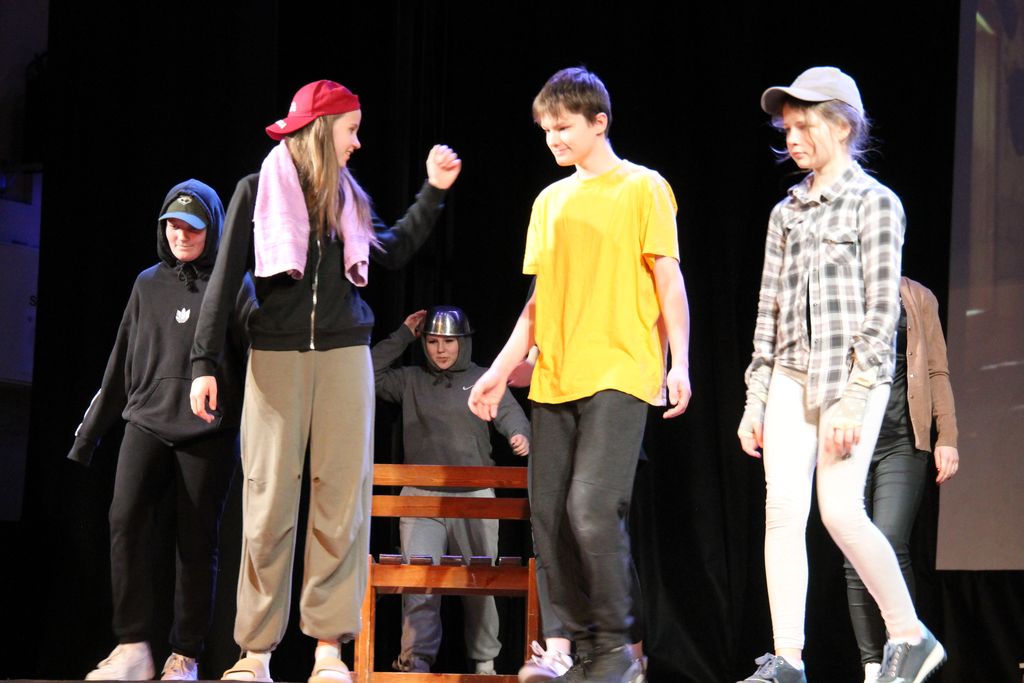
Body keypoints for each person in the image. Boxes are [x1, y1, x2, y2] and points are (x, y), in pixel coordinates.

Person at [188, 80, 462, 683]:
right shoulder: (257, 190)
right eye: (350, 130)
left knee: (340, 502)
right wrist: (204, 362)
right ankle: (255, 652)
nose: (357, 143)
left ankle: (328, 650)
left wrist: (433, 192)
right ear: (321, 129)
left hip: (344, 356)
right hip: (276, 357)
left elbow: (391, 250)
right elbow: (225, 277)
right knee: (267, 501)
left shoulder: (349, 197)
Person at [469, 67, 691, 683]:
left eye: (563, 127)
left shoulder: (644, 187)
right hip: (556, 377)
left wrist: (680, 361)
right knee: (549, 515)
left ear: (599, 123)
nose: (553, 139)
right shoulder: (550, 201)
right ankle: (568, 649)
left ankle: (616, 648)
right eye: (546, 129)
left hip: (621, 369)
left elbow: (668, 279)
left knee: (591, 506)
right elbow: (539, 302)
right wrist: (499, 370)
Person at [736, 66, 945, 683]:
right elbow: (769, 310)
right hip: (789, 375)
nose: (792, 138)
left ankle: (911, 635)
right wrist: (755, 398)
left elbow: (883, 310)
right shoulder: (785, 213)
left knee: (840, 512)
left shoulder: (876, 203)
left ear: (843, 126)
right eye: (787, 128)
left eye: (804, 125)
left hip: (850, 378)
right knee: (781, 511)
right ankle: (788, 658)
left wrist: (855, 397)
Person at [70, 180, 254, 681]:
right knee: (124, 519)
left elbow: (257, 360)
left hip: (208, 431)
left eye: (192, 226)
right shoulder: (146, 284)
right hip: (146, 421)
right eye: (172, 225)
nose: (181, 235)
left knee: (196, 543)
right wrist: (88, 437)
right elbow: (118, 367)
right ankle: (133, 645)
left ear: (213, 229)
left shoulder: (234, 285)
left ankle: (185, 654)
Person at [372, 306, 531, 675]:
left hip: (475, 499)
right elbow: (368, 373)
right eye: (432, 342)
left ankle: (485, 662)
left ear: (464, 342)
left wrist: (519, 434)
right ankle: (416, 661)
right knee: (419, 584)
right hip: (420, 498)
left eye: (448, 342)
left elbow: (510, 413)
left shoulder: (482, 378)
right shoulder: (410, 380)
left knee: (482, 584)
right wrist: (403, 335)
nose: (440, 350)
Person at [845, 277, 959, 683]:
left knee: (889, 541)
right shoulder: (841, 287)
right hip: (851, 440)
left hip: (903, 440)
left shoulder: (919, 297)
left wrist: (947, 436)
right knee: (854, 552)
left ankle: (905, 650)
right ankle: (873, 667)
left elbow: (936, 370)